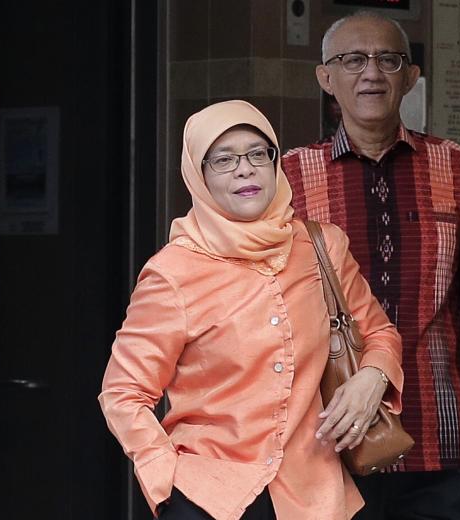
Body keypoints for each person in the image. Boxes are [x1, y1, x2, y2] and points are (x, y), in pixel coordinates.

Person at [99, 100, 404, 520]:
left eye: (257, 153)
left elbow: (380, 334)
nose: (245, 169)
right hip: (211, 496)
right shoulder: (173, 273)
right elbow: (124, 393)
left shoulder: (323, 247)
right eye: (223, 159)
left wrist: (373, 376)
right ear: (199, 175)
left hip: (315, 494)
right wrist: (166, 477)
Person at [282, 11, 460, 518]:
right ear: (325, 78)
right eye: (352, 60)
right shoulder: (290, 176)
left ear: (411, 77)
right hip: (327, 441)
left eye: (388, 60)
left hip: (439, 441)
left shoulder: (455, 165)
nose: (371, 73)